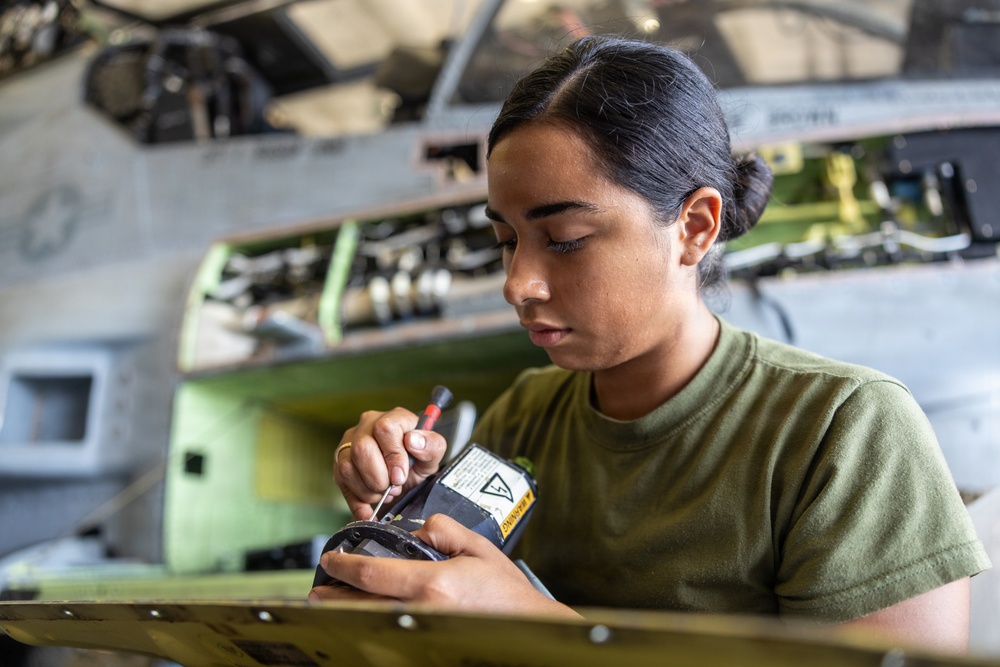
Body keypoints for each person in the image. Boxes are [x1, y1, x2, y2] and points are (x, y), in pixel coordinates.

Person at [310, 35, 991, 652]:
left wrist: (544, 636)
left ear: (694, 226)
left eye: (566, 239)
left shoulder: (846, 431)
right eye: (506, 241)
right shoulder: (526, 414)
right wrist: (411, 521)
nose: (519, 284)